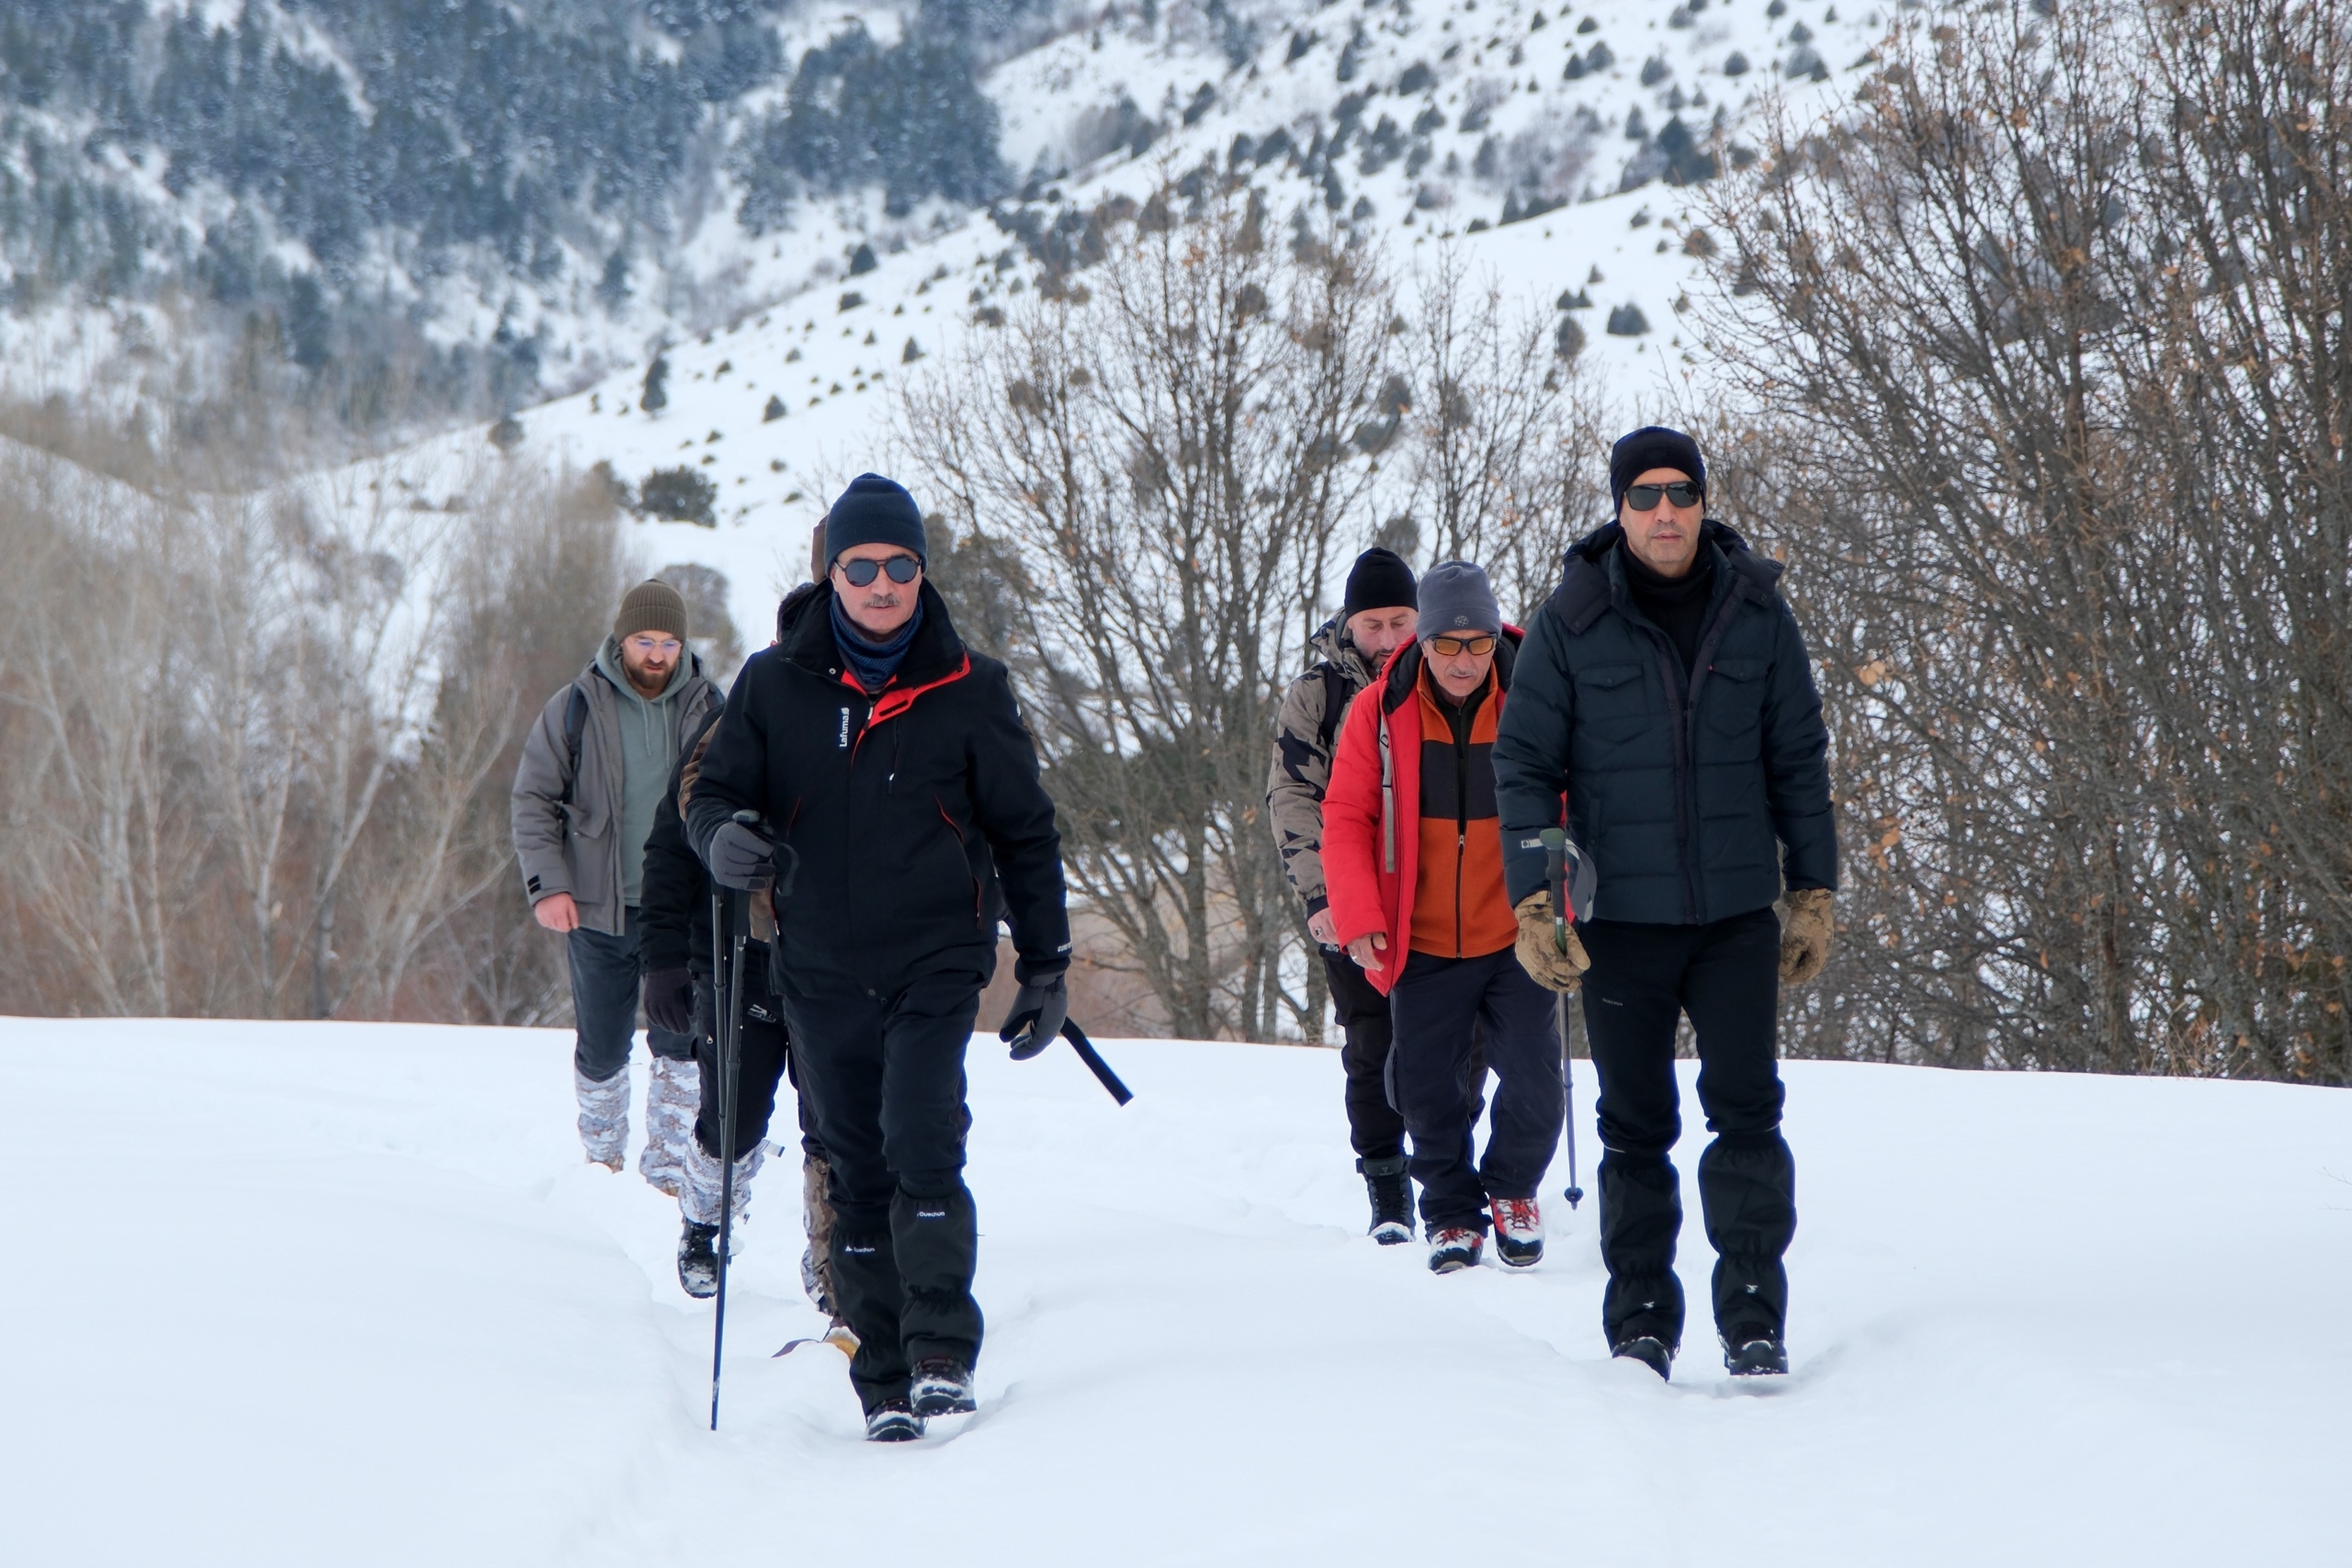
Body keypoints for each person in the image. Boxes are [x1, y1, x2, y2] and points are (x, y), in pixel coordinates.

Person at [686, 473, 1070, 1442]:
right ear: (832, 573)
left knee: (921, 1136)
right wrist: (722, 835)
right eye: (861, 566)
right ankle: (884, 1376)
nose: (883, 582)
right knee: (854, 1164)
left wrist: (1047, 963)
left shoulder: (970, 687)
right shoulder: (773, 684)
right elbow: (712, 794)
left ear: (922, 571)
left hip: (937, 957)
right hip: (816, 962)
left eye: (902, 564)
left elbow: (1025, 831)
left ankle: (943, 1351)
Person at [1493, 426, 1836, 1381]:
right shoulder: (1571, 619)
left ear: (1701, 501)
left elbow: (1798, 761)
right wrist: (1535, 900)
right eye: (1642, 495)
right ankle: (1640, 1319)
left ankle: (1753, 1318)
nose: (1663, 512)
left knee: (1746, 1115)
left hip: (1731, 914)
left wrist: (1811, 887)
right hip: (1621, 927)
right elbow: (1523, 763)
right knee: (1633, 1128)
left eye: (1679, 492)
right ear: (1618, 508)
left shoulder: (1758, 613)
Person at [1322, 562, 1565, 1276]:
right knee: (1427, 1091)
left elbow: (1572, 806)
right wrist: (1359, 915)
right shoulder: (1379, 709)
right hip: (1421, 935)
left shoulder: (1534, 696)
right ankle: (1452, 1214)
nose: (1464, 660)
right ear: (1423, 640)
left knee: (1537, 1084)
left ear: (1495, 639)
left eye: (1478, 643)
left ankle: (1513, 1189)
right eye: (1449, 644)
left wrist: (1568, 903)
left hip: (1516, 932)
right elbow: (1345, 817)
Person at [512, 581, 719, 1191]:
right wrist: (548, 885)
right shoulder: (575, 705)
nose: (656, 654)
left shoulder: (712, 707)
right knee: (602, 1049)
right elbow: (533, 798)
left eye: (668, 642)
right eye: (644, 640)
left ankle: (667, 1174)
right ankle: (601, 1165)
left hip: (681, 917)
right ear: (621, 639)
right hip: (597, 913)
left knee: (681, 1046)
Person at [1268, 547, 1425, 1242]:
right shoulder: (1318, 693)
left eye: (1399, 621)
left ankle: (1454, 1172)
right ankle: (1387, 1183)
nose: (1387, 638)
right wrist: (1321, 897)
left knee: (1460, 1040)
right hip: (1352, 895)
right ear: (1349, 623)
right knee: (1372, 1041)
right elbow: (1291, 795)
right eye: (1373, 623)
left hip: (1437, 891)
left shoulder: (1449, 671)